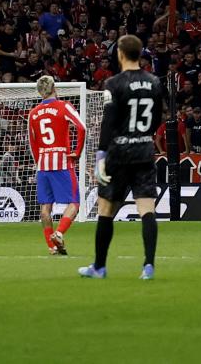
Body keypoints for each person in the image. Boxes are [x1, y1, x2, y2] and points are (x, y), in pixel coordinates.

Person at [80, 34, 163, 280]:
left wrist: (101, 154)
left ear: (120, 55)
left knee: (105, 210)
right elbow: (157, 118)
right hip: (145, 150)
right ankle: (148, 266)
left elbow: (109, 122)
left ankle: (99, 266)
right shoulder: (155, 82)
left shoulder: (114, 83)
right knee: (147, 209)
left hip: (119, 152)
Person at [28, 74, 87, 256]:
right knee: (74, 203)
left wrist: (39, 162)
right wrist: (77, 152)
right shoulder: (64, 106)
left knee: (45, 207)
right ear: (55, 88)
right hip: (62, 160)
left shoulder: (33, 113)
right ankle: (59, 233)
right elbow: (82, 128)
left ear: (40, 92)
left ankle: (51, 246)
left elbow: (33, 142)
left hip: (43, 164)